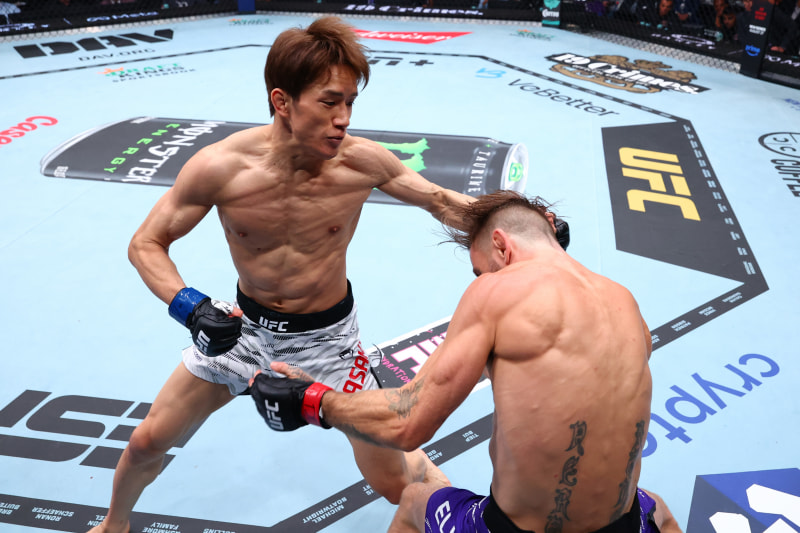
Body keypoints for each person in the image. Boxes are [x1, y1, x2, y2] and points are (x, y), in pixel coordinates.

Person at [87, 15, 484, 533]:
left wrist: (521, 223)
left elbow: (444, 202)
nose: (344, 119)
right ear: (282, 101)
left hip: (328, 342)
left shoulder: (362, 163)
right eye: (329, 102)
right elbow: (146, 244)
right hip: (242, 332)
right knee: (146, 442)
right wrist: (192, 308)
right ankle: (113, 526)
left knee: (396, 479)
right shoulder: (220, 167)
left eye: (350, 103)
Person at [250, 191, 682, 533]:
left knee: (415, 501)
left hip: (512, 529)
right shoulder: (625, 301)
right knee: (657, 509)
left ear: (501, 246)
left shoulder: (498, 291)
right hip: (625, 526)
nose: (482, 280)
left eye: (481, 270)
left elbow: (407, 422)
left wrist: (312, 400)